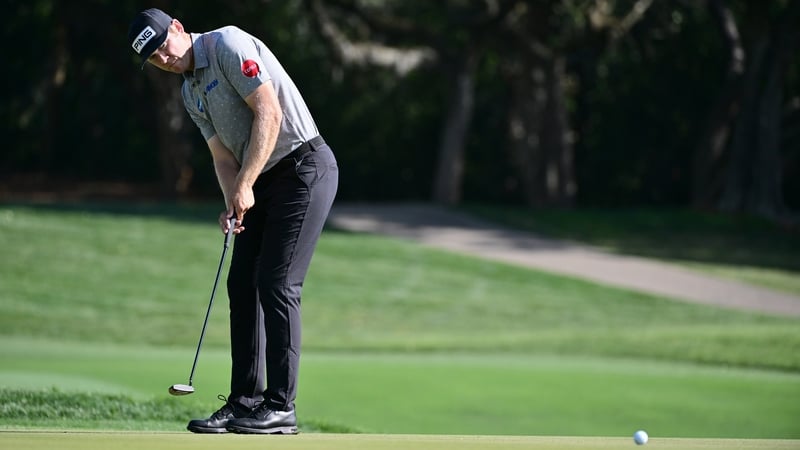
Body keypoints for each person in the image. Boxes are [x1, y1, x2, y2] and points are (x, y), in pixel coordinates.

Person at [127, 8, 338, 434]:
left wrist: (246, 185)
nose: (162, 59)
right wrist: (233, 202)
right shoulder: (190, 93)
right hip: (262, 177)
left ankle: (281, 407)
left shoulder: (226, 45)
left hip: (303, 168)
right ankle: (245, 402)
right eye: (152, 57)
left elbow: (269, 114)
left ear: (178, 28)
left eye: (162, 45)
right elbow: (222, 157)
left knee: (277, 284)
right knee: (241, 282)